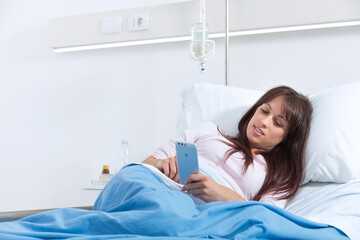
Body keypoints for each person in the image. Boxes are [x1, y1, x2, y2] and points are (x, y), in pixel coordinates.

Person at [142, 86, 312, 208]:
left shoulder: (278, 176)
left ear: (287, 137)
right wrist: (160, 165)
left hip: (204, 212)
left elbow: (267, 217)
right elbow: (145, 164)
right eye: (264, 111)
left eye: (277, 123)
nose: (264, 122)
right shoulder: (208, 130)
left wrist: (222, 195)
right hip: (163, 190)